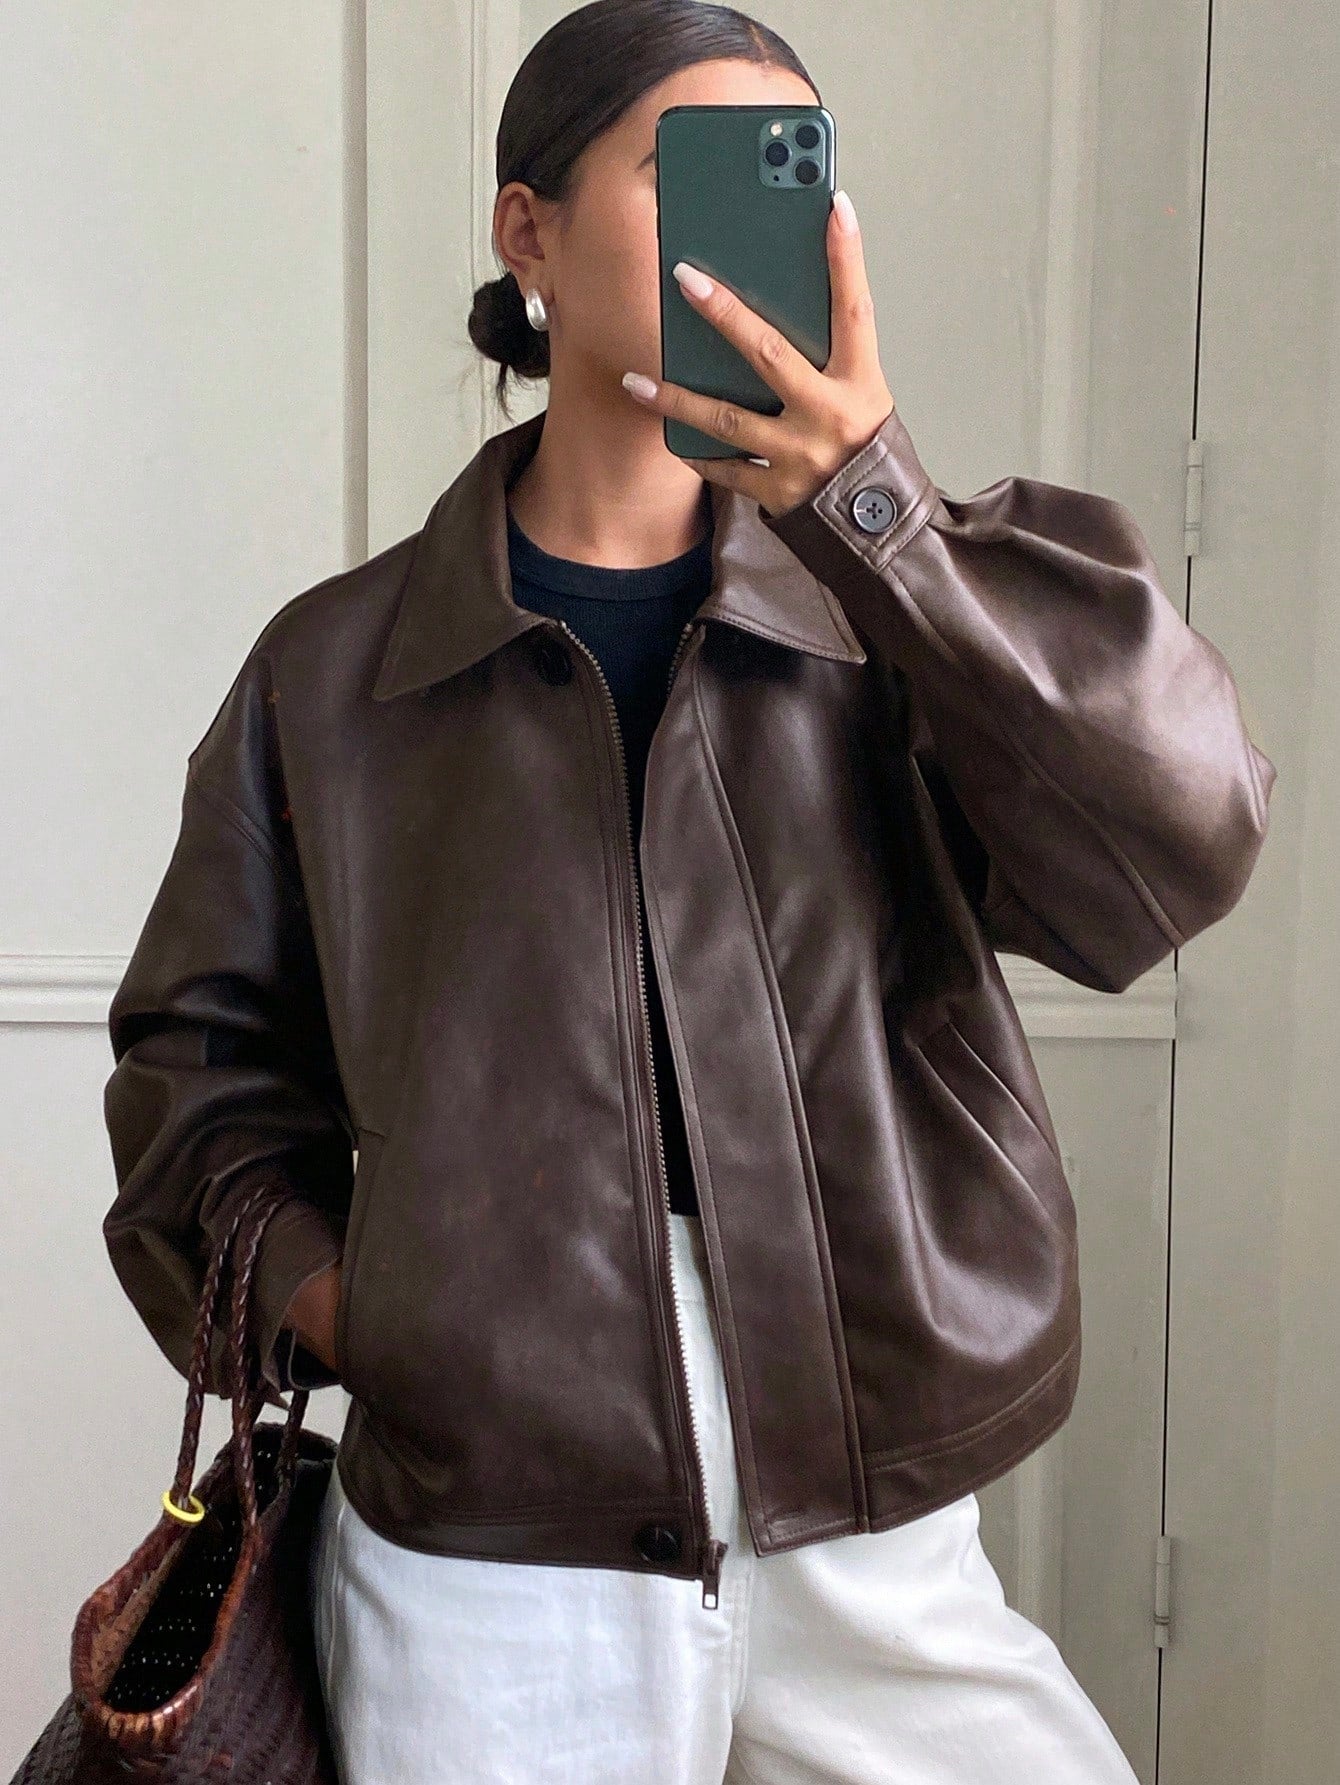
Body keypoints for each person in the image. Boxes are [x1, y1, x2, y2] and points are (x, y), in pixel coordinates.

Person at [101, 2, 1275, 1780]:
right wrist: (368, 1310)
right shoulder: (333, 673)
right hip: (493, 1542)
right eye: (688, 167)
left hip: (865, 1499)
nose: (755, 222)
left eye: (793, 173)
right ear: (529, 231)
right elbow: (195, 1076)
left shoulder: (900, 608)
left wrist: (879, 515)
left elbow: (1176, 845)